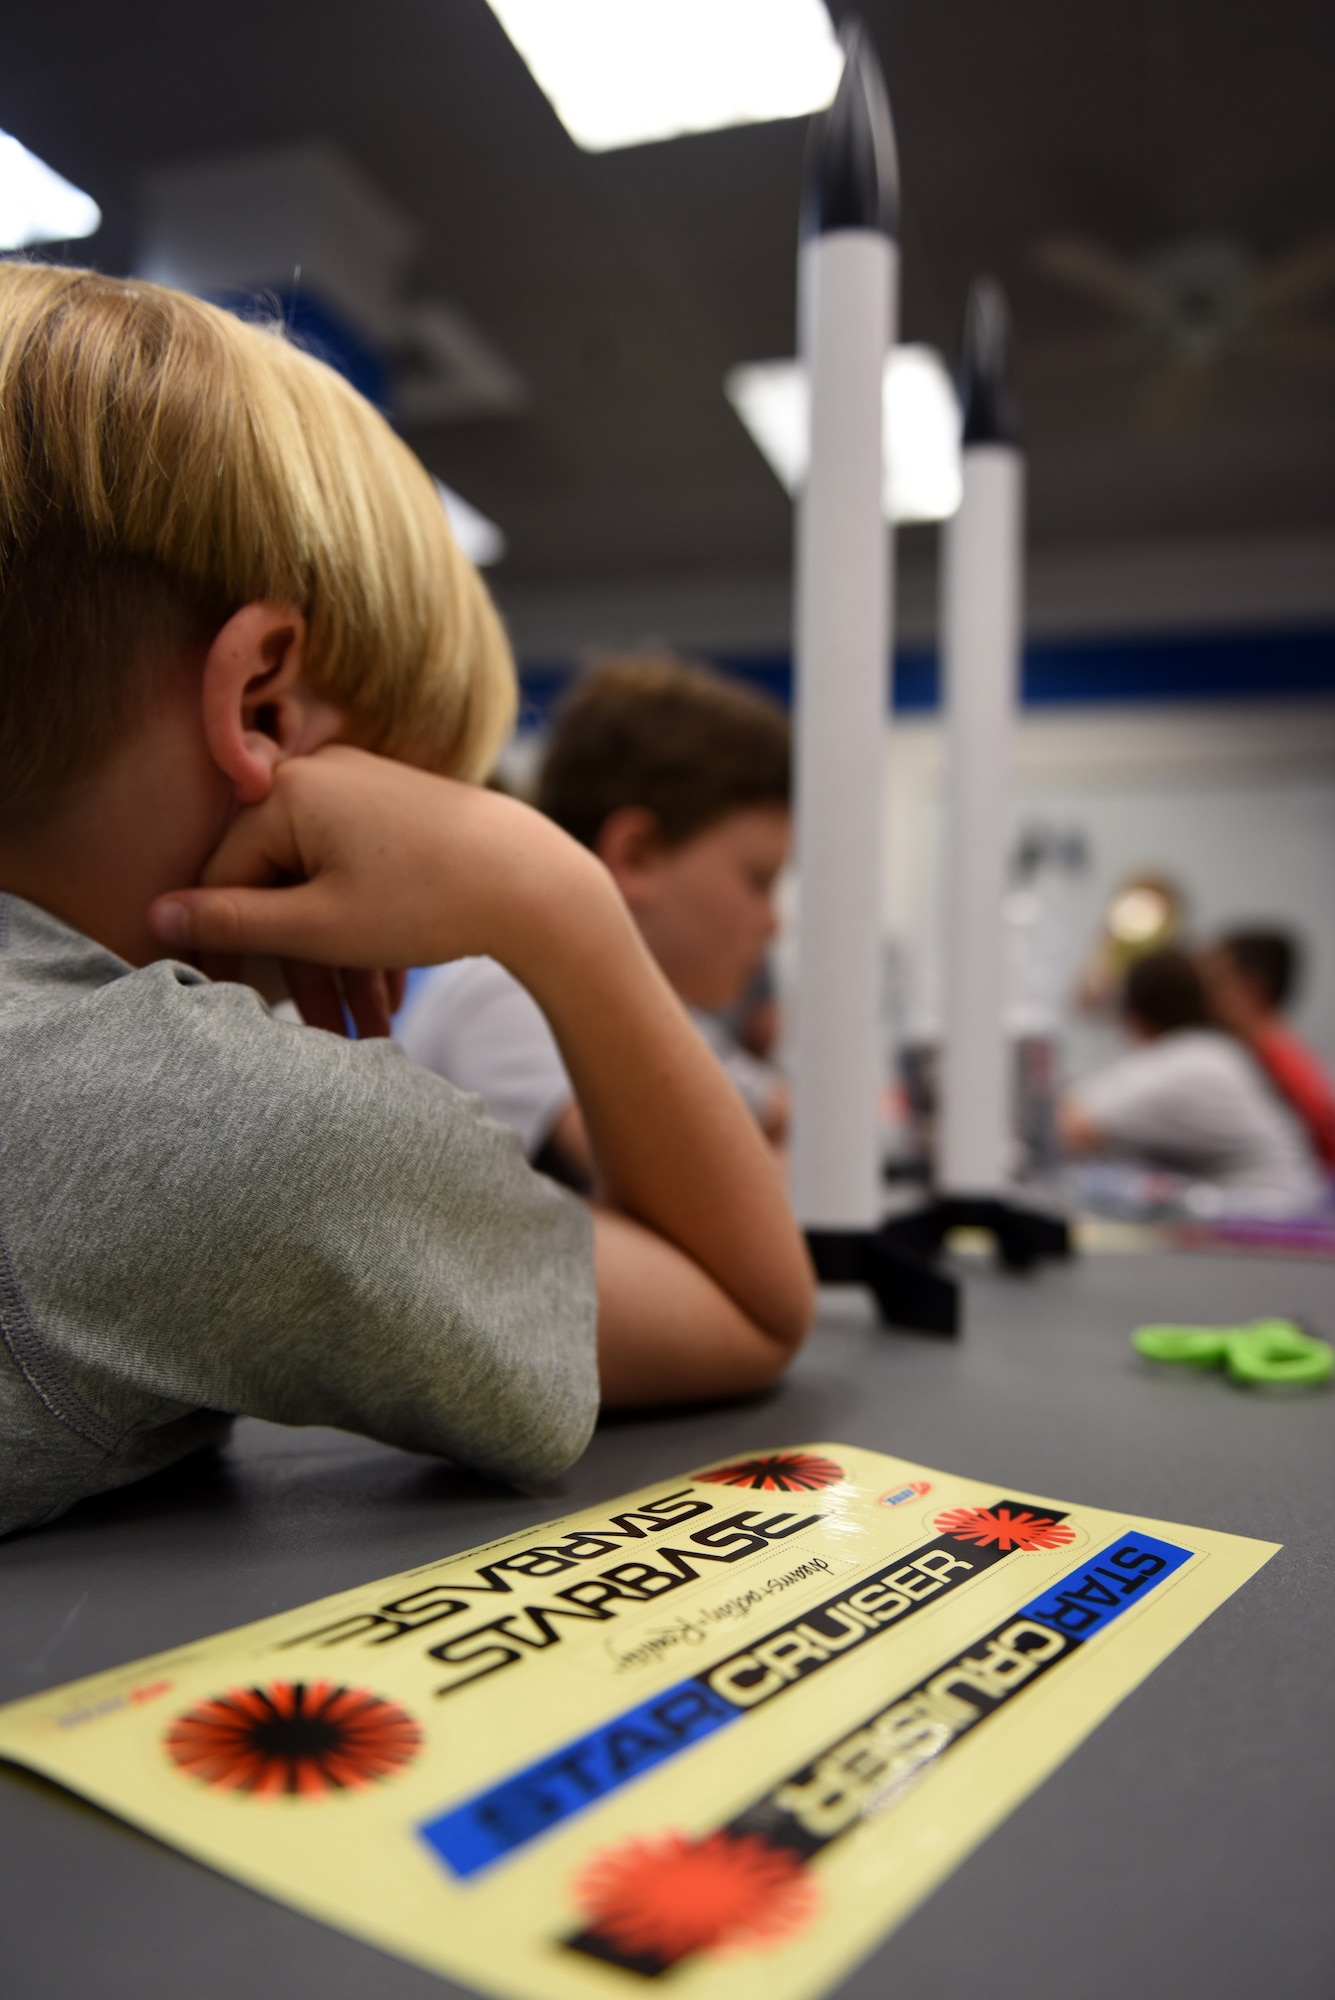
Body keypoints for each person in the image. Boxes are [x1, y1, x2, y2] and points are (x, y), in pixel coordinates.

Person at [0, 264, 813, 1537]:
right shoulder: (197, 1118)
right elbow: (752, 1303)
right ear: (266, 708)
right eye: (420, 797)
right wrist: (550, 892)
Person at [398, 660, 792, 1187]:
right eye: (758, 880)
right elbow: (714, 1201)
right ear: (638, 856)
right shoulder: (512, 992)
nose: (773, 924)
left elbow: (783, 1116)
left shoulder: (664, 1015)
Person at [1058, 950, 1323, 1215]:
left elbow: (1069, 1127)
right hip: (1286, 1208)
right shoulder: (1214, 1052)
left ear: (1135, 1019)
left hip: (1270, 1222)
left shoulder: (1190, 1060)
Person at [1199, 928, 1335, 1173]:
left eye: (1213, 983)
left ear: (1251, 991)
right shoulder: (1266, 1055)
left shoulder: (1279, 1068)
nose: (1200, 997)